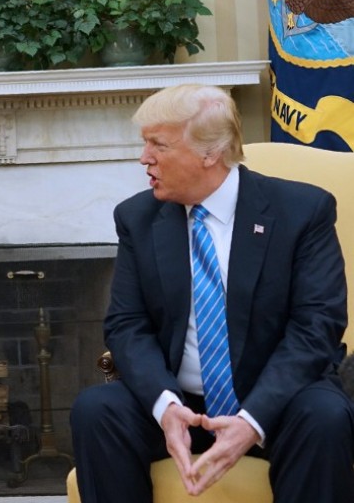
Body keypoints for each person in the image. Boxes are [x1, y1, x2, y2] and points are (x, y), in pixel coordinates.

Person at [70, 84, 354, 503]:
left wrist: (253, 419)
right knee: (97, 410)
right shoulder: (138, 217)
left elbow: (317, 326)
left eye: (158, 145)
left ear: (210, 153)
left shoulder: (301, 211)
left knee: (325, 417)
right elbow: (127, 324)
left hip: (278, 400)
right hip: (180, 402)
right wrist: (166, 407)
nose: (144, 157)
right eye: (145, 143)